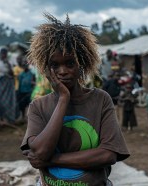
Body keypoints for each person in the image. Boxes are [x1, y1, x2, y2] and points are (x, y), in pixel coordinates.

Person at [21, 13, 129, 186]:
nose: (62, 71)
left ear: (82, 65)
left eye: (70, 63)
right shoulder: (39, 106)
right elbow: (40, 152)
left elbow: (108, 155)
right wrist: (63, 99)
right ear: (46, 69)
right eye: (55, 65)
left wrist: (52, 160)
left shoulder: (100, 100)